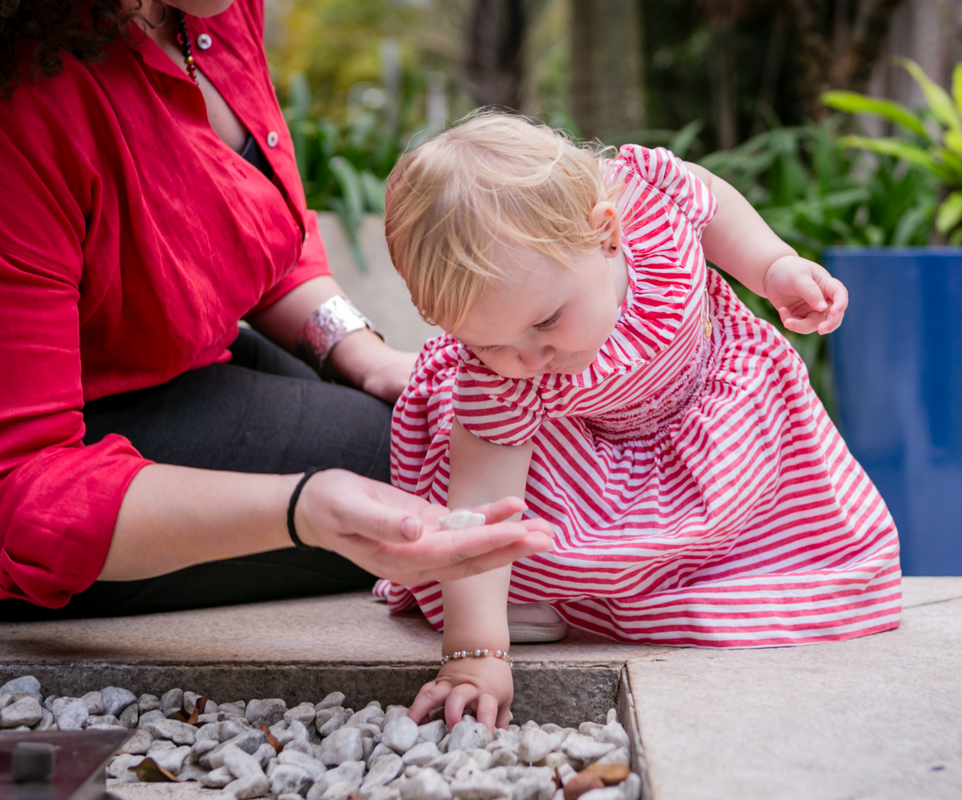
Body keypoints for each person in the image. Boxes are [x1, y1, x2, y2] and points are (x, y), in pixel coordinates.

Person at [0, 1, 553, 620]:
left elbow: (252, 227)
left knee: (446, 419)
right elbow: (18, 487)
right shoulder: (24, 103)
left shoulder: (209, 11)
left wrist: (367, 358)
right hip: (81, 443)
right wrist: (300, 512)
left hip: (182, 356)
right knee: (435, 464)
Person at [375, 113, 903, 730]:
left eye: (546, 321)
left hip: (713, 416)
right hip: (580, 464)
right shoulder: (499, 379)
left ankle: (759, 572)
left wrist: (772, 267)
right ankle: (532, 590)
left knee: (787, 527)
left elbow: (714, 206)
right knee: (509, 494)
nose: (530, 358)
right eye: (490, 343)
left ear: (606, 234)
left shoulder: (649, 201)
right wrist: (474, 655)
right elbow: (482, 506)